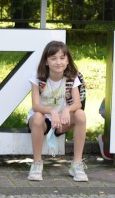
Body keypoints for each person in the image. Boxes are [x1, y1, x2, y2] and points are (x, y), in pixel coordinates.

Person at [27, 40, 87, 182]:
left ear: (67, 60)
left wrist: (67, 109)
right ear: (46, 61)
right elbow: (36, 105)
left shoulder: (72, 77)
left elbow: (77, 103)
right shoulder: (39, 76)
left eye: (62, 58)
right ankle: (37, 164)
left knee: (80, 114)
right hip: (41, 121)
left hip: (61, 121)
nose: (58, 62)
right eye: (53, 58)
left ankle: (77, 164)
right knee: (38, 116)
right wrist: (52, 111)